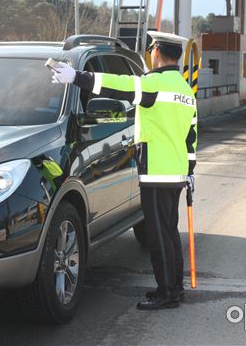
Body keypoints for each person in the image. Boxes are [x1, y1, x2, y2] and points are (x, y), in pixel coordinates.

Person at [50, 31, 198, 310]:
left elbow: (118, 85)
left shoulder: (153, 84)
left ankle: (167, 292)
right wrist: (190, 171)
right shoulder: (184, 89)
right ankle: (174, 289)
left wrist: (77, 77)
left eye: (151, 48)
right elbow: (192, 137)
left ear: (156, 51)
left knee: (158, 235)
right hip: (176, 173)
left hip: (156, 172)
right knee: (168, 232)